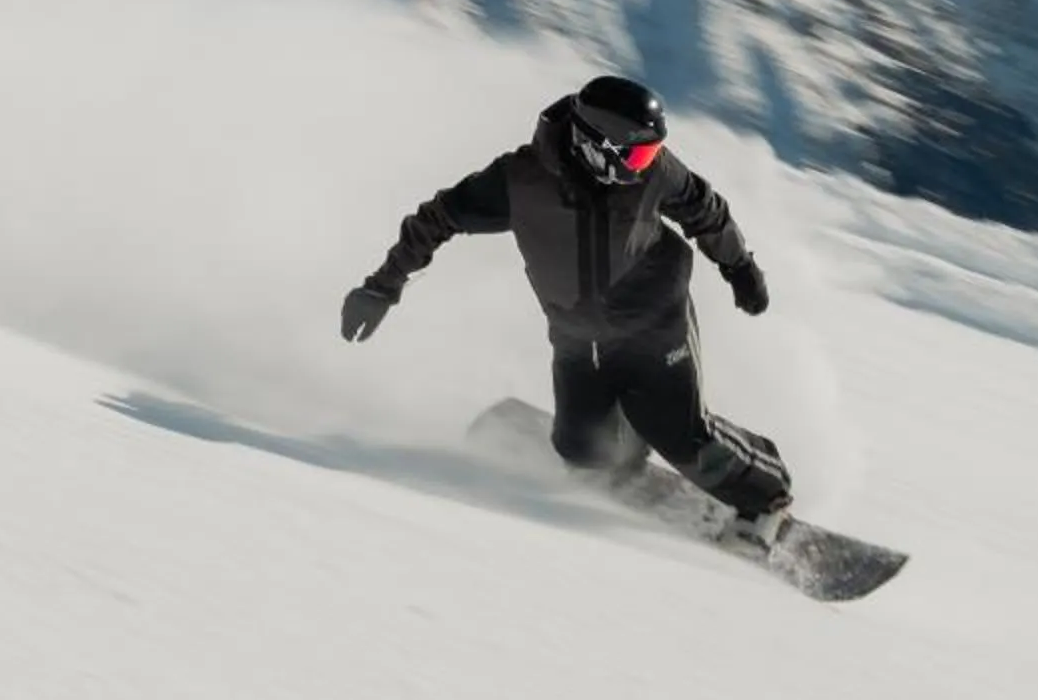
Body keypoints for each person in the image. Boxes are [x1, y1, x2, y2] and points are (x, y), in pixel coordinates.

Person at [338, 75, 794, 537]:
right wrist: (381, 288)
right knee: (581, 449)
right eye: (638, 155)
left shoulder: (654, 173)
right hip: (579, 336)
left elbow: (706, 211)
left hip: (656, 322)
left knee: (683, 436)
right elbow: (436, 219)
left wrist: (739, 267)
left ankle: (767, 495)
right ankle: (627, 447)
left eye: (651, 153)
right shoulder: (519, 182)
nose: (648, 163)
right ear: (596, 148)